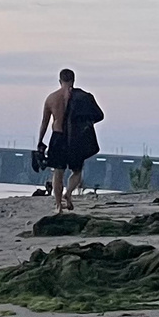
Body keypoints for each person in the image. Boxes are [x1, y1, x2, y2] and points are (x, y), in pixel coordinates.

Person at [37, 68, 103, 211]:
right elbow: (98, 115)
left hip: (58, 137)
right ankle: (68, 193)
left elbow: (44, 122)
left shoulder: (51, 98)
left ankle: (58, 205)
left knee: (58, 173)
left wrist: (40, 141)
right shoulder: (83, 98)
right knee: (77, 171)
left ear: (60, 81)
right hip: (75, 139)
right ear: (73, 80)